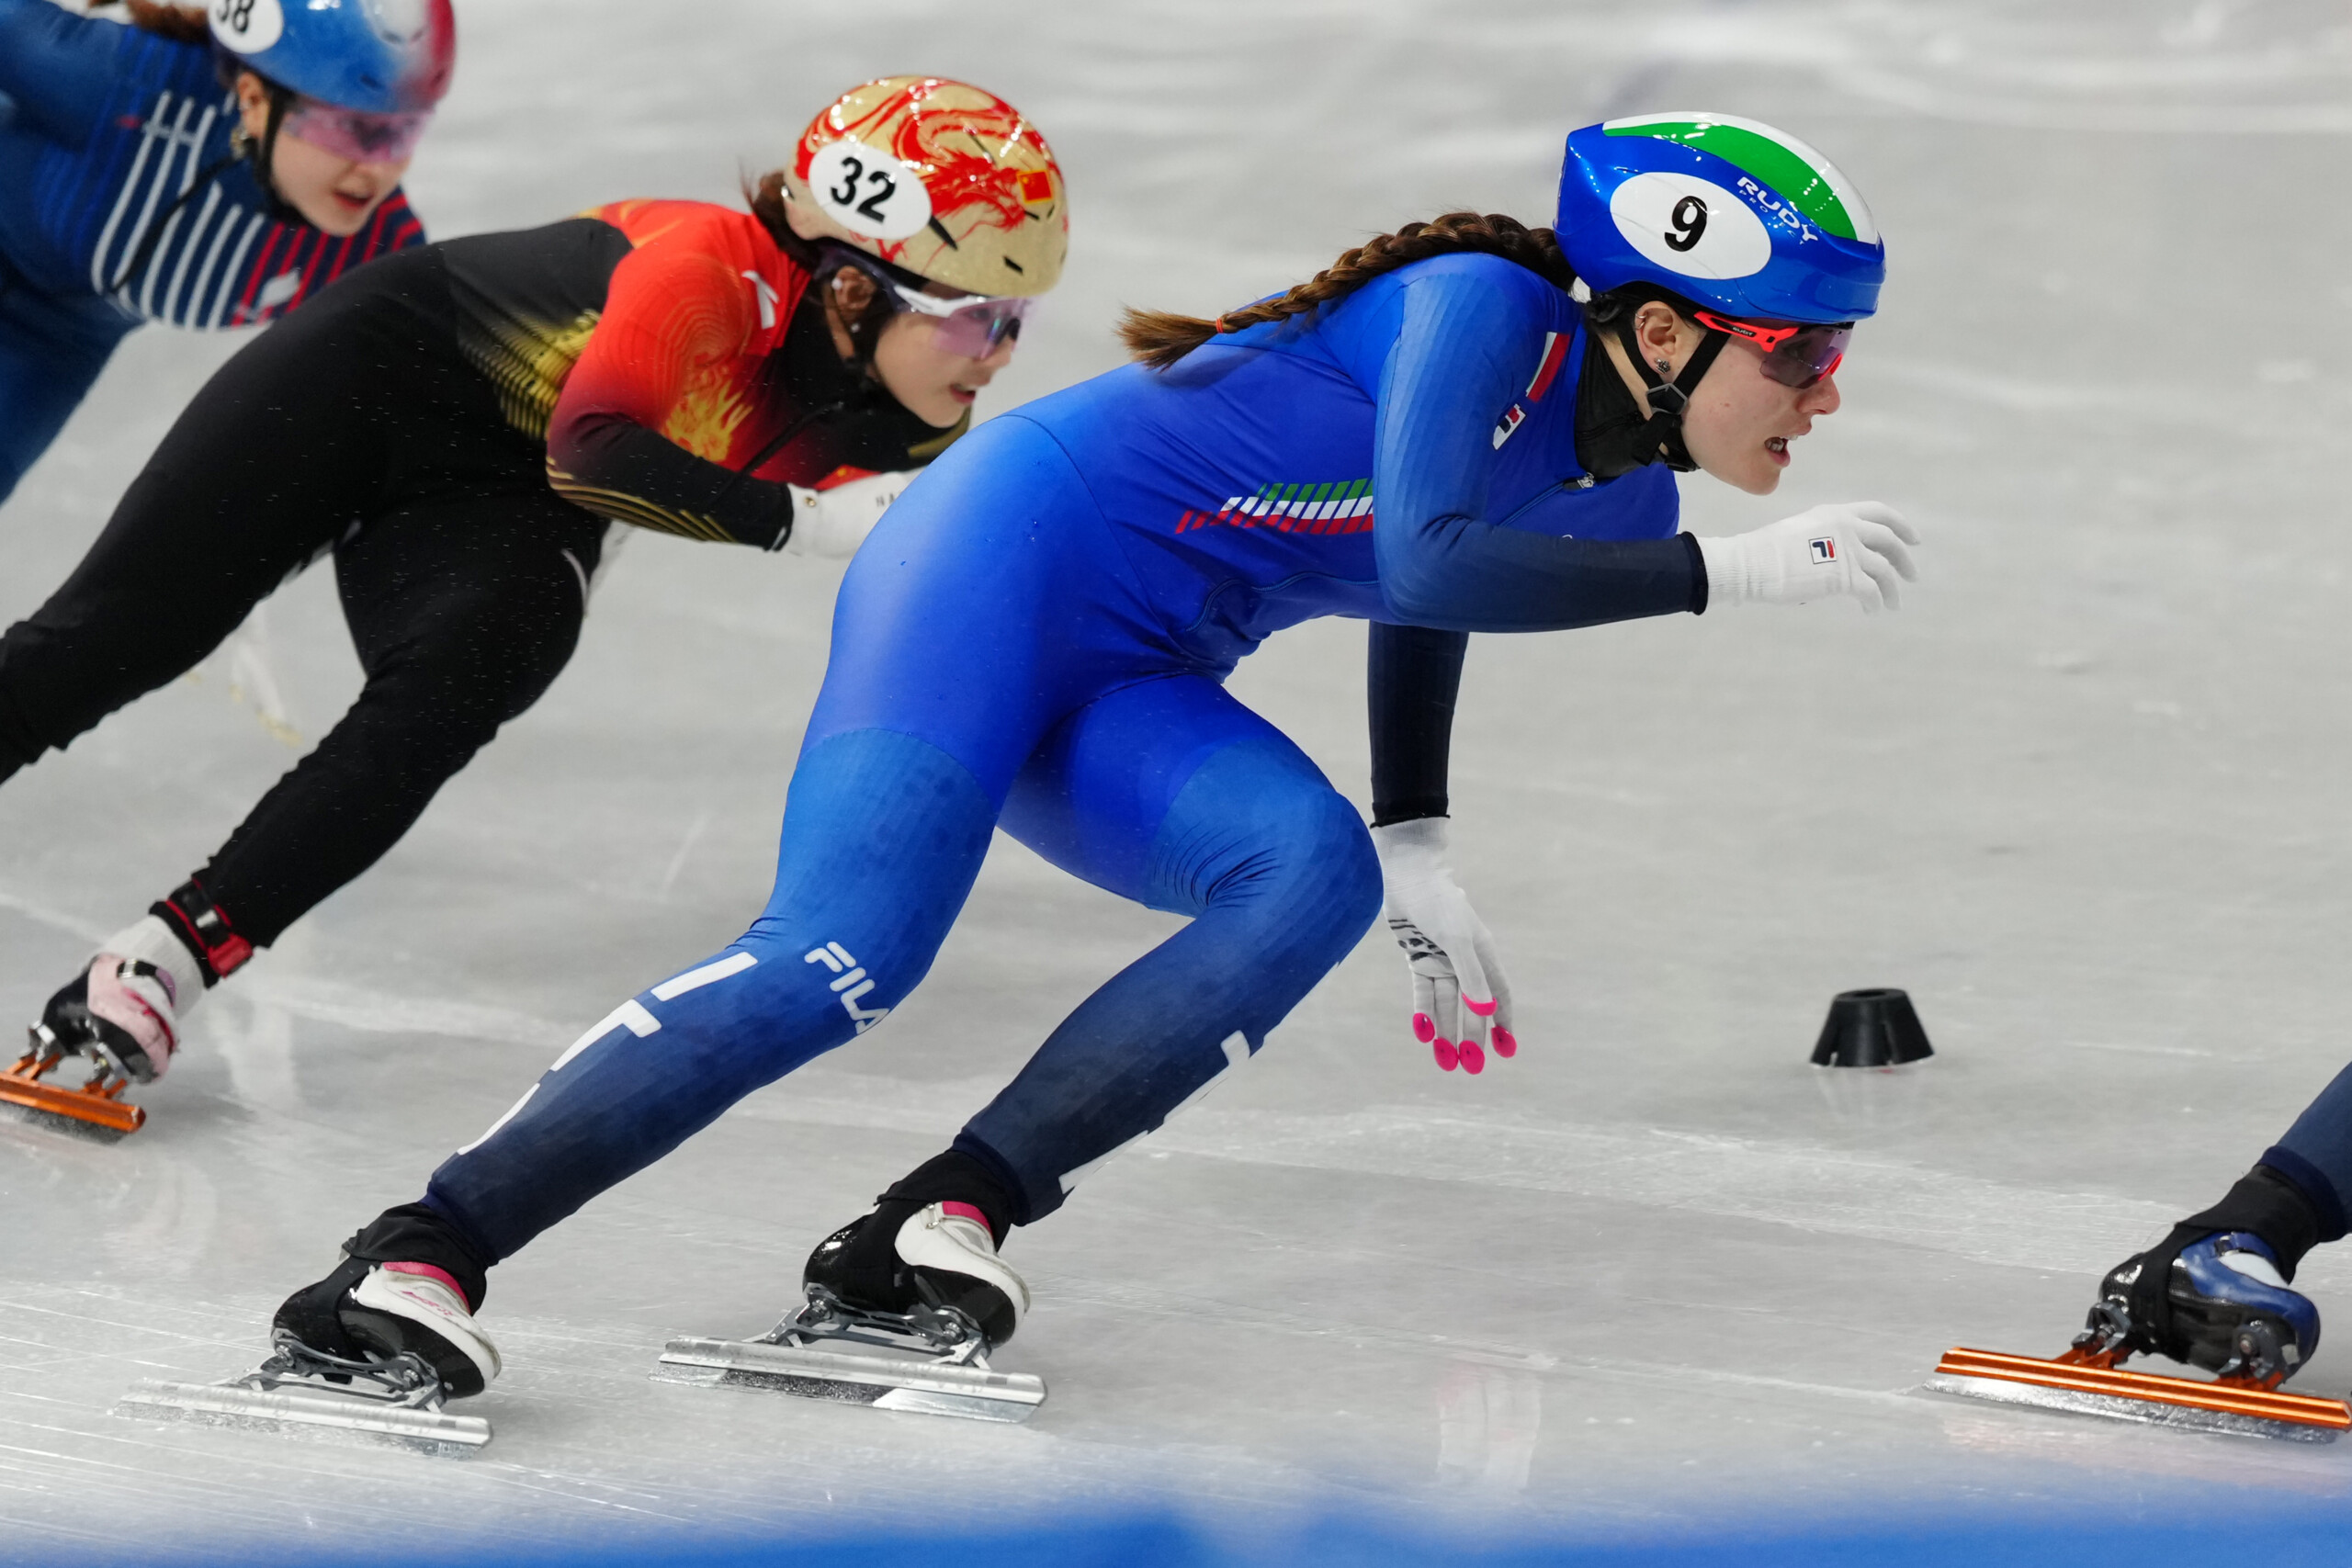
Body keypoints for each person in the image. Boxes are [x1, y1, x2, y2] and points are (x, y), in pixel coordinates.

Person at [268, 112, 1918, 1402]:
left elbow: (1436, 592)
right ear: (1656, 330)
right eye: (1802, 350)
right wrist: (1737, 570)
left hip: (1135, 667)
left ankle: (935, 1226)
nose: (1826, 393)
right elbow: (1426, 553)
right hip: (993, 566)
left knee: (1313, 877)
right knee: (843, 955)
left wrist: (1414, 830)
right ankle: (416, 1256)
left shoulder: (1620, 486)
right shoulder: (1479, 309)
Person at [0, 76, 1068, 1130]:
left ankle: (161, 960)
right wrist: (815, 522)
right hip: (364, 388)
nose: (1004, 354)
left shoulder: (916, 415)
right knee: (114, 641)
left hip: (499, 497)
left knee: (478, 669)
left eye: (1017, 320)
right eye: (979, 318)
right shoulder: (705, 269)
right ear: (850, 291)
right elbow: (593, 451)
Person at [0, 0, 451, 507]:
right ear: (255, 101)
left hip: (55, 343)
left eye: (403, 132)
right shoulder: (126, 82)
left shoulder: (380, 249)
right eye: (350, 130)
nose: (379, 170)